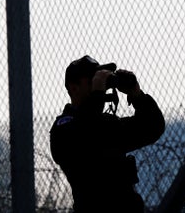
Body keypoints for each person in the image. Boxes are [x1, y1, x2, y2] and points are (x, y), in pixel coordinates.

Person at [49, 55, 165, 213]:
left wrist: (137, 95)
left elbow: (152, 128)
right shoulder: (64, 128)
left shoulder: (107, 123)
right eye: (92, 80)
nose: (101, 85)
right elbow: (86, 134)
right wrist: (97, 95)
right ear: (73, 87)